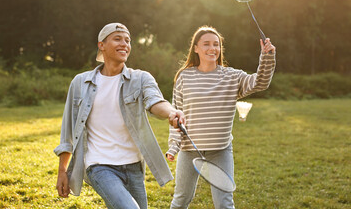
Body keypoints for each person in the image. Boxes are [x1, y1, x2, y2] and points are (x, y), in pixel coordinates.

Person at [54, 22, 185, 209]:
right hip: (99, 165)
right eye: (117, 39)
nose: (124, 44)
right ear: (101, 45)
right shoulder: (80, 83)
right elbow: (68, 131)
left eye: (127, 40)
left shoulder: (140, 78)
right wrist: (62, 171)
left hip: (133, 167)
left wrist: (172, 112)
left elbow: (155, 101)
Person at [166, 26, 276, 209]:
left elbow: (260, 82)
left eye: (216, 44)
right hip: (189, 150)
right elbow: (176, 115)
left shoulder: (232, 77)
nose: (212, 48)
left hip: (220, 150)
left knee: (224, 204)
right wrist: (173, 146)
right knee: (180, 201)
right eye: (206, 44)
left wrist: (267, 57)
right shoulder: (184, 77)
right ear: (196, 48)